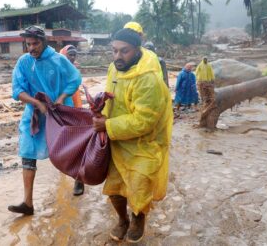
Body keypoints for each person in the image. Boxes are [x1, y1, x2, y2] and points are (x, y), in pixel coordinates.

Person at [92, 28, 173, 243]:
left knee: (139, 188)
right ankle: (122, 219)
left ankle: (138, 219)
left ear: (137, 50)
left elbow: (144, 121)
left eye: (124, 51)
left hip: (144, 144)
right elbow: (111, 97)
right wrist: (99, 108)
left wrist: (107, 125)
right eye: (114, 51)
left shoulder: (149, 80)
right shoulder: (113, 69)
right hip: (117, 140)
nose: (118, 56)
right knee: (115, 188)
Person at [9, 26, 81, 215]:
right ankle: (28, 203)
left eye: (35, 43)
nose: (31, 48)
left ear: (44, 42)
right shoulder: (23, 62)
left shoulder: (59, 60)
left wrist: (60, 98)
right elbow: (17, 90)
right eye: (28, 44)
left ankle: (79, 177)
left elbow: (74, 79)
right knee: (27, 151)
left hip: (59, 112)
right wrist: (36, 103)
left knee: (68, 148)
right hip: (35, 114)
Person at [60, 44, 84, 196]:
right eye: (70, 54)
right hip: (61, 110)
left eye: (74, 54)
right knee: (63, 145)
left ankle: (79, 180)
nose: (72, 57)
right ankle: (64, 175)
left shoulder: (74, 70)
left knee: (76, 146)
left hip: (75, 109)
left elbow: (76, 91)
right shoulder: (57, 68)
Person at [195, 57, 216, 127]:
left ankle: (207, 104)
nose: (205, 61)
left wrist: (212, 79)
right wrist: (198, 79)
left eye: (206, 59)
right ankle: (204, 102)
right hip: (202, 81)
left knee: (210, 97)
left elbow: (211, 72)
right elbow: (197, 72)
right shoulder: (200, 65)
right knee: (204, 96)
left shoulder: (209, 65)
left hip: (208, 81)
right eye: (204, 60)